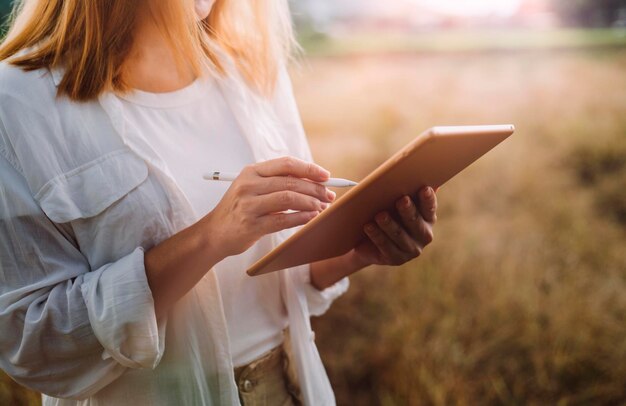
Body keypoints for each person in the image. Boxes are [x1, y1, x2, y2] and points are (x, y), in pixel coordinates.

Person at [0, 0, 438, 404]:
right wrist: (212, 236)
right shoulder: (17, 103)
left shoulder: (249, 71)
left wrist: (356, 250)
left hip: (282, 389)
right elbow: (30, 342)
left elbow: (278, 284)